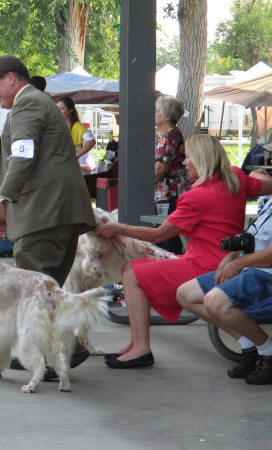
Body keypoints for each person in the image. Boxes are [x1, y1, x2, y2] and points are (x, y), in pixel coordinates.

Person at [96, 135, 271, 368]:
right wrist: (260, 173)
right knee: (131, 269)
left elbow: (159, 235)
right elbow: (265, 183)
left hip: (204, 266)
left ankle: (141, 348)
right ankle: (137, 344)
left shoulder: (196, 197)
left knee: (132, 273)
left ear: (201, 159)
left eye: (188, 158)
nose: (184, 163)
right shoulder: (236, 179)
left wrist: (116, 228)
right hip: (225, 260)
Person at [0, 55, 95, 373]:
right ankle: (52, 352)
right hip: (53, 211)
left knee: (36, 288)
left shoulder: (27, 103)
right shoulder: (34, 102)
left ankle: (57, 355)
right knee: (47, 288)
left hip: (44, 214)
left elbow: (23, 156)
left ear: (12, 78)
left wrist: (3, 199)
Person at [177, 177, 272, 384]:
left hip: (266, 273)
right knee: (186, 294)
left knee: (214, 301)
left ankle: (268, 351)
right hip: (252, 267)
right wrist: (231, 256)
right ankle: (249, 345)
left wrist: (238, 263)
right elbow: (253, 236)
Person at [154, 95, 189, 254]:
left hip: (169, 194)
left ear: (167, 116)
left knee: (166, 241)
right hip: (174, 192)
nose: (153, 115)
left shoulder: (167, 137)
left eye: (156, 111)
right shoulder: (171, 134)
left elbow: (160, 169)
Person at [56, 96, 97, 174]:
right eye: (58, 109)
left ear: (71, 110)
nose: (59, 111)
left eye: (62, 108)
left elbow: (91, 141)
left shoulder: (77, 126)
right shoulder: (58, 126)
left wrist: (76, 156)